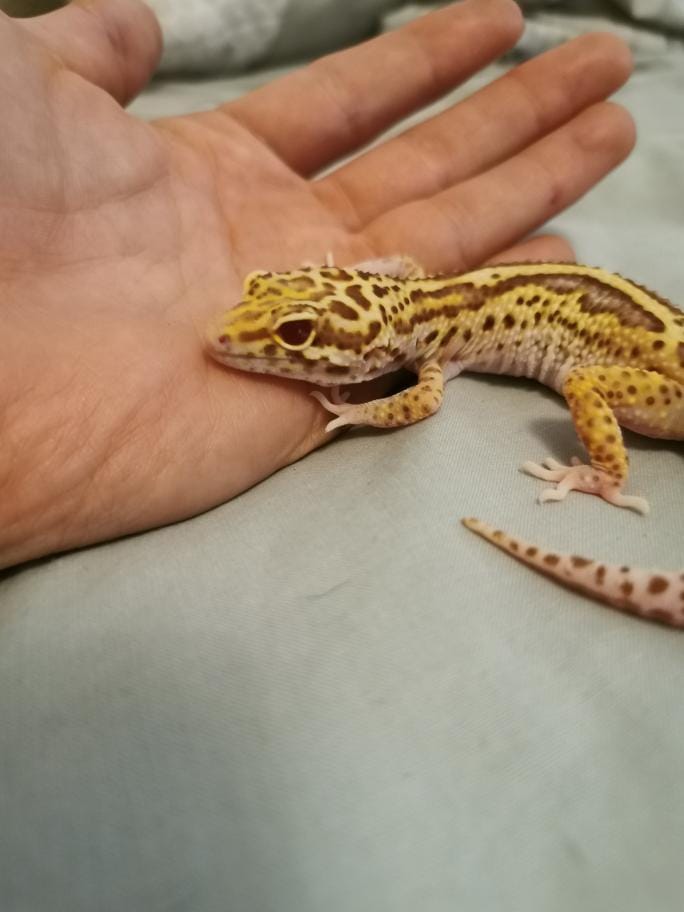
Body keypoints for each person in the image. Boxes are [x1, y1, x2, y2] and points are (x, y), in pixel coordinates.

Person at [0, 0, 634, 569]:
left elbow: (422, 401)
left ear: (375, 349)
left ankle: (608, 476)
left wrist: (358, 410)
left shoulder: (425, 351)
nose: (228, 334)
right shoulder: (420, 317)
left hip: (645, 371)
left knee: (585, 380)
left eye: (297, 333)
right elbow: (403, 288)